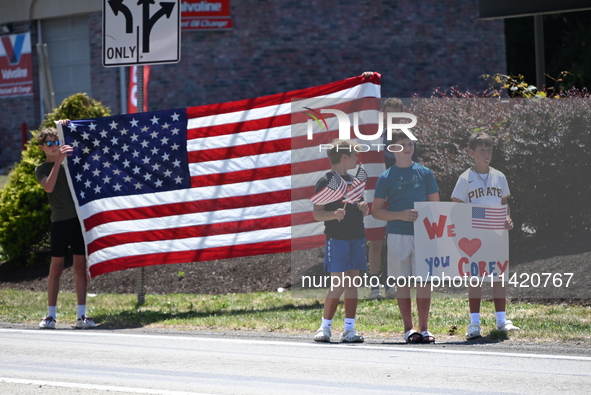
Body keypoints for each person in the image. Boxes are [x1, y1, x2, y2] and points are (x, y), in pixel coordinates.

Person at [372, 131, 440, 343]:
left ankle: (425, 329)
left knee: (424, 282)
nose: (408, 148)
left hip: (423, 235)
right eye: (402, 144)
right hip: (397, 234)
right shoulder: (385, 177)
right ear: (392, 149)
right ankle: (409, 329)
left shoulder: (426, 173)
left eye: (410, 144)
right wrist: (399, 215)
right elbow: (376, 211)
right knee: (403, 283)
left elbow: (435, 205)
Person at [451, 131, 520, 339]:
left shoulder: (499, 176)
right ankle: (474, 323)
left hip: (496, 235)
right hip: (474, 237)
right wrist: (483, 216)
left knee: (498, 276)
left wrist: (507, 220)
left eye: (489, 149)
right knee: (475, 278)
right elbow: (457, 208)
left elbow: (504, 206)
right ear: (471, 153)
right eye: (481, 150)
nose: (486, 154)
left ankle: (501, 320)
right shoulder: (464, 179)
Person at [35, 121, 96, 329]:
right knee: (57, 268)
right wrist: (57, 160)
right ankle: (51, 315)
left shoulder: (71, 163)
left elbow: (88, 146)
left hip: (78, 222)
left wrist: (68, 126)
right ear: (42, 147)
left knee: (80, 267)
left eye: (57, 141)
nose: (54, 145)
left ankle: (82, 315)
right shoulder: (42, 168)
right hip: (60, 223)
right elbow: (49, 188)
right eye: (49, 143)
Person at [312, 139, 370, 343]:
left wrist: (364, 208)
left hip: (357, 236)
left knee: (352, 282)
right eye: (354, 155)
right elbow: (317, 214)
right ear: (344, 157)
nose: (357, 159)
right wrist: (333, 215)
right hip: (337, 238)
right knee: (338, 283)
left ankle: (349, 329)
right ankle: (325, 327)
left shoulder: (355, 181)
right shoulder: (327, 181)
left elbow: (360, 205)